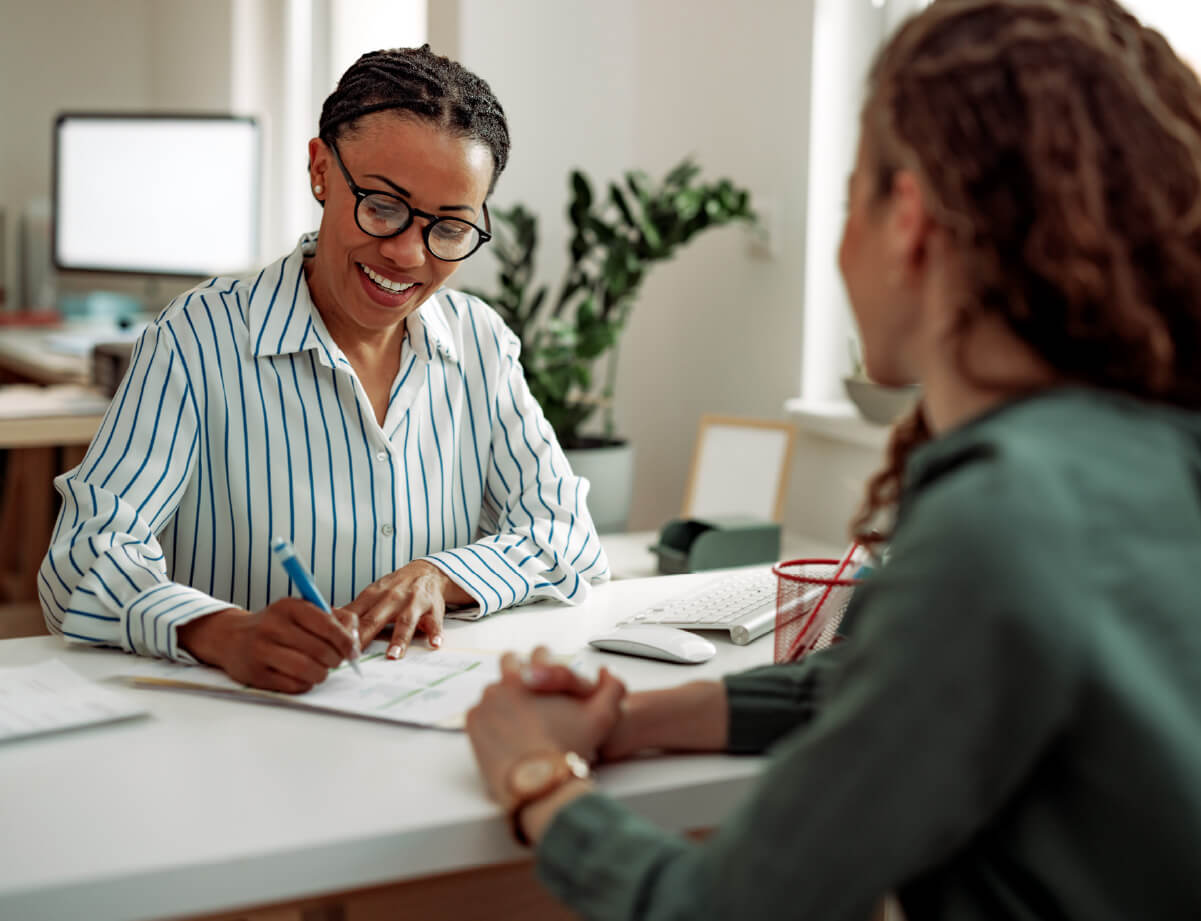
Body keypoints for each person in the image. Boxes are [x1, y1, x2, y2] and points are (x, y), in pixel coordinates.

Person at [463, 1, 1201, 918]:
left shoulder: (1005, 516)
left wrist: (537, 779)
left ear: (909, 220)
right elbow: (893, 685)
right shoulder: (1142, 457)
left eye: (849, 191)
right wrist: (634, 717)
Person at [38, 45, 609, 692]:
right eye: (383, 206)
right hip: (239, 726)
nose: (406, 253)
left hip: (416, 721)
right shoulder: (197, 339)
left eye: (448, 228)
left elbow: (567, 535)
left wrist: (441, 576)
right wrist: (221, 632)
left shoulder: (479, 344)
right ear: (320, 171)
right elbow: (80, 563)